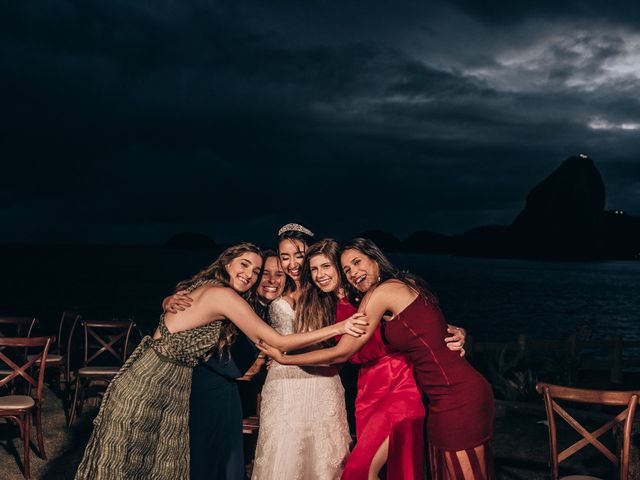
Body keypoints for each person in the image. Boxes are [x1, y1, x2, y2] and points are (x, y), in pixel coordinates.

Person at [75, 243, 367, 480]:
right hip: (158, 382)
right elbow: (276, 342)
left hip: (165, 379)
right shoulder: (225, 296)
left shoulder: (207, 286)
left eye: (255, 270)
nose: (251, 275)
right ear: (227, 264)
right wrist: (340, 328)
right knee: (129, 460)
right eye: (246, 266)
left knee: (146, 461)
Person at [258, 238, 495, 480]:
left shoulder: (374, 296)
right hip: (371, 389)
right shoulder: (334, 301)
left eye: (328, 266)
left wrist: (285, 359)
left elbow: (346, 350)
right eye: (315, 269)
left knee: (362, 470)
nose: (321, 274)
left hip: (400, 384)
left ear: (374, 259)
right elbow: (418, 323)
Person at [163, 249, 286, 480]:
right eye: (264, 274)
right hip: (201, 383)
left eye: (279, 275)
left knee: (227, 458)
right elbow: (186, 306)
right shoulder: (232, 298)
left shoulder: (269, 308)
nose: (271, 280)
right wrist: (168, 300)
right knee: (202, 456)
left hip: (227, 387)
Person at [251, 224, 352, 480]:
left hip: (322, 383)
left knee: (323, 459)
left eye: (299, 254)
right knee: (283, 455)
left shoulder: (325, 288)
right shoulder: (275, 287)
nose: (292, 263)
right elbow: (236, 299)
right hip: (283, 386)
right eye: (285, 256)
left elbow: (368, 309)